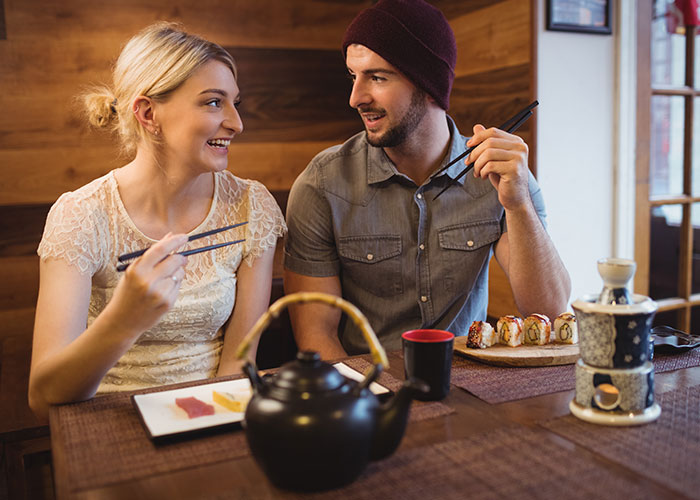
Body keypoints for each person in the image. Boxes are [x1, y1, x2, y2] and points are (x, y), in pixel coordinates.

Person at [283, 0, 571, 358]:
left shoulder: (498, 174)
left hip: (470, 387)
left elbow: (548, 310)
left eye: (377, 77)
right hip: (369, 392)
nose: (356, 97)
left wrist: (519, 205)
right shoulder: (322, 184)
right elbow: (316, 337)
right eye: (353, 76)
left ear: (429, 85)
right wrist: (368, 405)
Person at [29, 22, 286, 420]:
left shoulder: (251, 207)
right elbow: (43, 397)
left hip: (215, 415)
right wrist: (124, 319)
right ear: (148, 112)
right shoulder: (81, 215)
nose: (237, 123)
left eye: (235, 102)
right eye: (214, 102)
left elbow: (240, 363)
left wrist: (203, 434)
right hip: (103, 425)